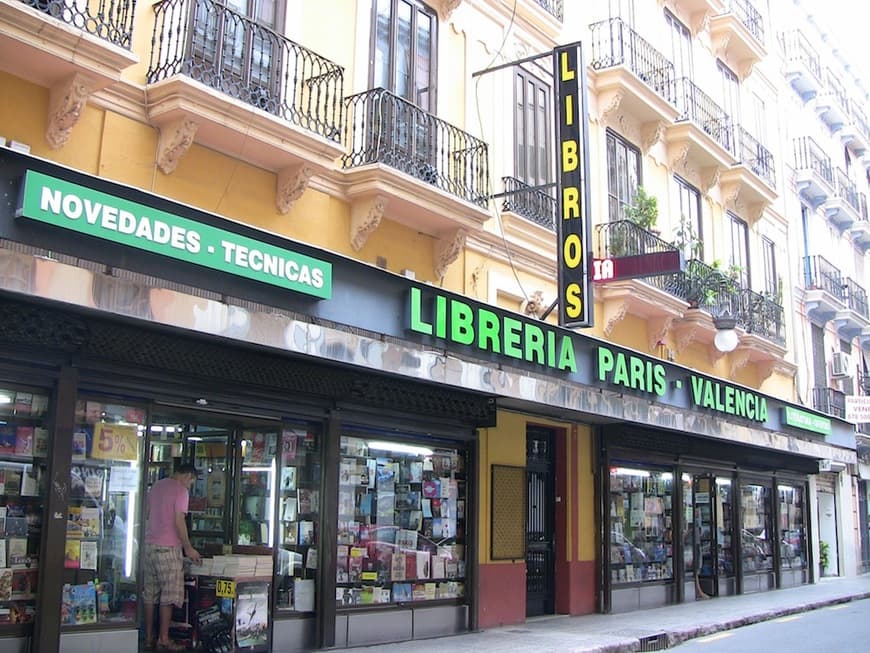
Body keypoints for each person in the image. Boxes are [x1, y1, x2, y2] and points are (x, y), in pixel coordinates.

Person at [143, 462, 202, 651]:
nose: (189, 487)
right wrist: (189, 548)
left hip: (150, 547)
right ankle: (164, 638)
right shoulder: (181, 491)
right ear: (187, 477)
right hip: (168, 549)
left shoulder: (157, 486)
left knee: (151, 595)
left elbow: (148, 513)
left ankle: (148, 638)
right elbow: (179, 521)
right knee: (168, 596)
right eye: (191, 483)